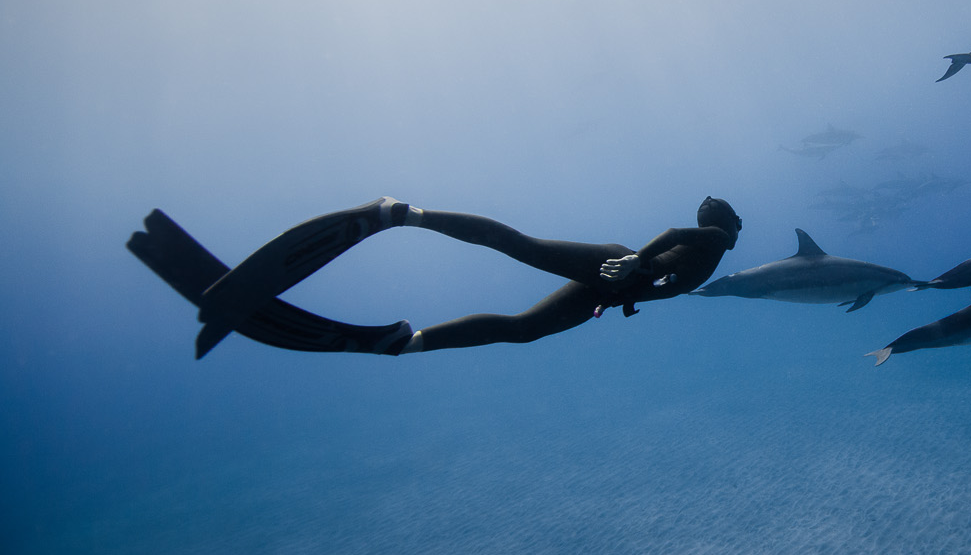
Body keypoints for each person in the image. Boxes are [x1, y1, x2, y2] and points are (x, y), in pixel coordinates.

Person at [189, 195, 742, 356]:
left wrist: (629, 294)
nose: (740, 224)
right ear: (723, 223)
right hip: (614, 266)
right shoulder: (716, 240)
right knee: (517, 245)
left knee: (524, 331)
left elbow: (672, 272)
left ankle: (406, 344)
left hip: (617, 284)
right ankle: (400, 214)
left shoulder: (709, 255)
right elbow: (672, 235)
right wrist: (634, 265)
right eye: (736, 218)